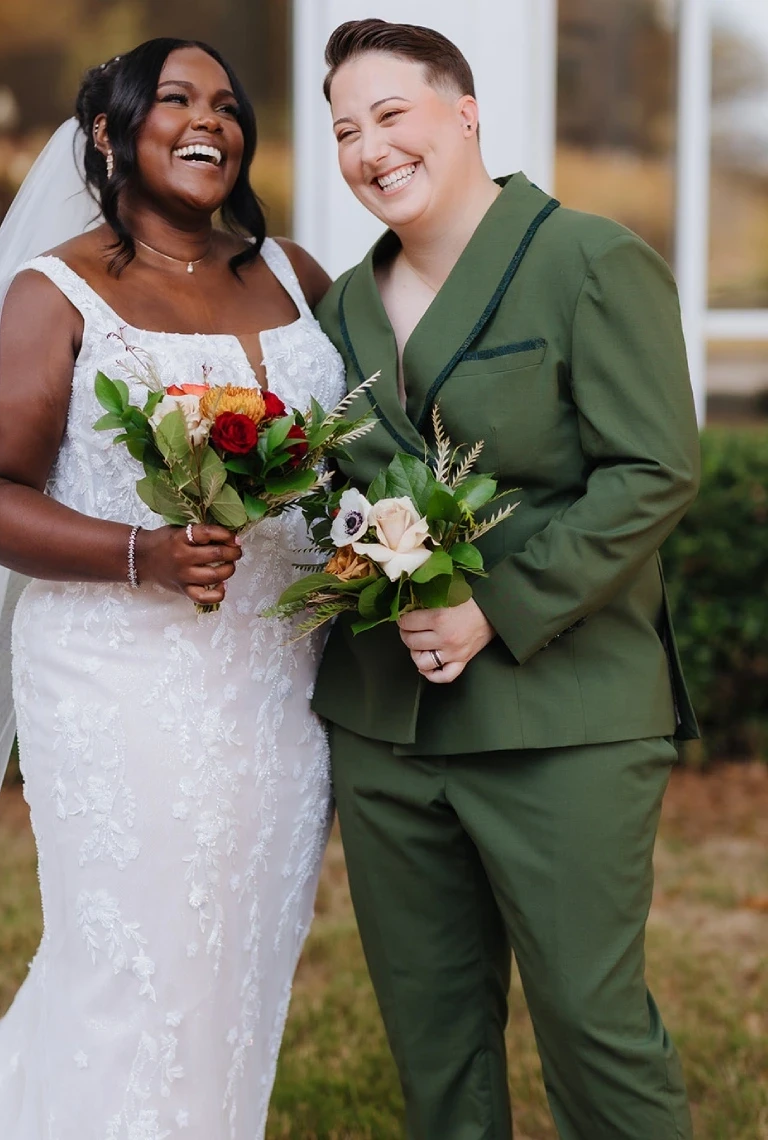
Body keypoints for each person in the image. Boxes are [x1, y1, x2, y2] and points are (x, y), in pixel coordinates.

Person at [0, 37, 344, 1139]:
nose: (210, 121)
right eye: (176, 100)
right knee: (131, 961)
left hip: (278, 686)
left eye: (228, 105)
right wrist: (139, 552)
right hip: (117, 678)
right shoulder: (56, 292)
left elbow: (361, 447)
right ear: (108, 134)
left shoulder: (296, 274)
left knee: (239, 955)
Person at [312, 18, 699, 1140]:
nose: (369, 148)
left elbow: (654, 470)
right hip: (387, 728)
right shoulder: (339, 305)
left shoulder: (590, 259)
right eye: (344, 130)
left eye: (391, 114)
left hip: (561, 721)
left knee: (592, 1029)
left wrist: (493, 605)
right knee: (434, 1047)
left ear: (464, 112)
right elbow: (337, 490)